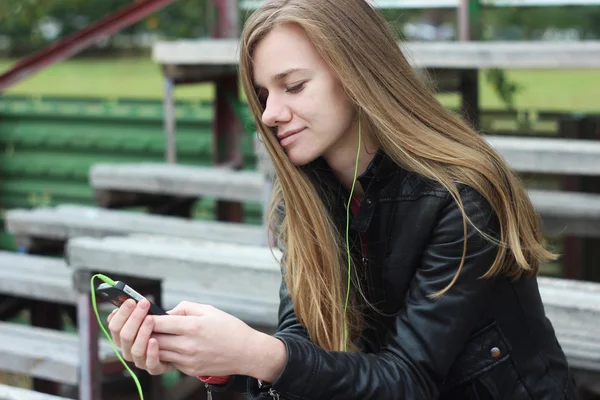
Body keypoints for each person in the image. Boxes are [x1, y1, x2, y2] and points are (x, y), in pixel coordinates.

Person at [107, 0, 579, 398]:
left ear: (357, 74)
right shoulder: (306, 195)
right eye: (262, 94)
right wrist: (218, 359)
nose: (270, 114)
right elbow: (305, 339)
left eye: (292, 86)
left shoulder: (461, 198)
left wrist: (260, 354)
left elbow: (409, 381)